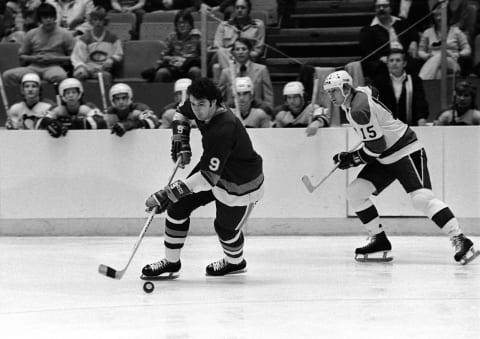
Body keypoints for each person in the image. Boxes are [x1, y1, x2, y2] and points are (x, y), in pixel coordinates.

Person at [323, 70, 478, 265]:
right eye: (328, 92)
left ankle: (461, 240)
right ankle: (379, 241)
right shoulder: (358, 94)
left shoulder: (357, 110)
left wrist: (352, 159)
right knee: (355, 192)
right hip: (385, 157)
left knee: (422, 199)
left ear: (346, 88)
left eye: (334, 91)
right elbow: (374, 91)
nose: (331, 97)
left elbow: (376, 148)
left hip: (406, 151)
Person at [142, 77, 264, 278]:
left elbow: (207, 180)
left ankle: (235, 263)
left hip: (240, 182)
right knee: (177, 207)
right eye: (194, 103)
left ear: (214, 104)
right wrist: (182, 141)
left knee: (225, 230)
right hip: (214, 169)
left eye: (201, 105)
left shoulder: (224, 128)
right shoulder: (197, 105)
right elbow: (180, 113)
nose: (197, 110)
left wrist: (168, 192)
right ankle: (171, 262)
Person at [2, 1, 76, 86]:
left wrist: (55, 58)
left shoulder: (65, 34)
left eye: (51, 17)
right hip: (34, 66)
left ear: (55, 17)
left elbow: (74, 57)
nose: (48, 20)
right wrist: (35, 58)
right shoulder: (31, 33)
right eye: (45, 18)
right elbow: (22, 56)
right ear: (40, 19)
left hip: (54, 66)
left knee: (60, 76)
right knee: (8, 75)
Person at [359, 0, 419, 82]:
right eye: (378, 7)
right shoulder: (368, 29)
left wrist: (414, 41)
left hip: (403, 56)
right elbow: (366, 50)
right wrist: (381, 58)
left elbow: (413, 32)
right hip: (382, 60)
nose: (381, 9)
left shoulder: (401, 23)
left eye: (385, 6)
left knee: (415, 64)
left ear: (391, 9)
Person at [217, 37, 273, 113]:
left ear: (249, 51)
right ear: (233, 52)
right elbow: (220, 96)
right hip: (232, 111)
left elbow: (268, 96)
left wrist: (269, 112)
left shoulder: (261, 70)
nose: (240, 52)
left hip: (256, 111)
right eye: (237, 49)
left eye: (244, 49)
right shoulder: (226, 72)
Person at [374, 49, 429, 126]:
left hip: (410, 126)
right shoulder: (379, 82)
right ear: (387, 64)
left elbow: (420, 101)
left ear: (404, 63)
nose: (394, 63)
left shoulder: (414, 80)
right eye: (391, 60)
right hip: (386, 127)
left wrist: (421, 118)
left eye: (398, 60)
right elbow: (375, 103)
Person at [36, 77, 107, 137]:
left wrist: (79, 123)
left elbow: (102, 123)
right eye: (67, 93)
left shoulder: (88, 107)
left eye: (74, 92)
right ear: (62, 96)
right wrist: (49, 123)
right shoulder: (57, 109)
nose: (71, 95)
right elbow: (38, 124)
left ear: (79, 94)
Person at [71, 6, 123, 83]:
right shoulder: (84, 39)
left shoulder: (113, 38)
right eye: (95, 20)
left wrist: (111, 60)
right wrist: (82, 67)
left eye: (100, 20)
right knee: (79, 74)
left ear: (105, 21)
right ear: (91, 21)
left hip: (103, 69)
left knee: (106, 76)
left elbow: (119, 54)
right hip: (87, 68)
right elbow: (77, 58)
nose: (98, 22)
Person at [418, 5, 471, 80]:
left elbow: (467, 50)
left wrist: (458, 54)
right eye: (436, 15)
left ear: (448, 15)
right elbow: (420, 51)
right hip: (432, 62)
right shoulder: (427, 32)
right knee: (438, 73)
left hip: (452, 62)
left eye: (441, 15)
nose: (438, 18)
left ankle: (421, 79)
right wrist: (427, 56)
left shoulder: (456, 31)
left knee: (441, 55)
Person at [213, 0, 265, 72]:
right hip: (227, 56)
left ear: (248, 10)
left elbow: (258, 50)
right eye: (237, 8)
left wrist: (243, 54)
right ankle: (236, 76)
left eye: (243, 8)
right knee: (221, 51)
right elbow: (217, 45)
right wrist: (232, 54)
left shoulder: (258, 25)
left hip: (248, 57)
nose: (239, 10)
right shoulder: (224, 25)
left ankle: (233, 78)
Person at [153, 9, 201, 82]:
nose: (182, 25)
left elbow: (204, 57)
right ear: (176, 25)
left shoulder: (197, 37)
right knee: (161, 72)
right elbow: (163, 56)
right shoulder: (172, 37)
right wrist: (173, 58)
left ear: (191, 25)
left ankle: (199, 93)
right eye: (179, 23)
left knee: (195, 71)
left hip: (190, 66)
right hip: (174, 68)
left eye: (185, 22)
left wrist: (186, 61)